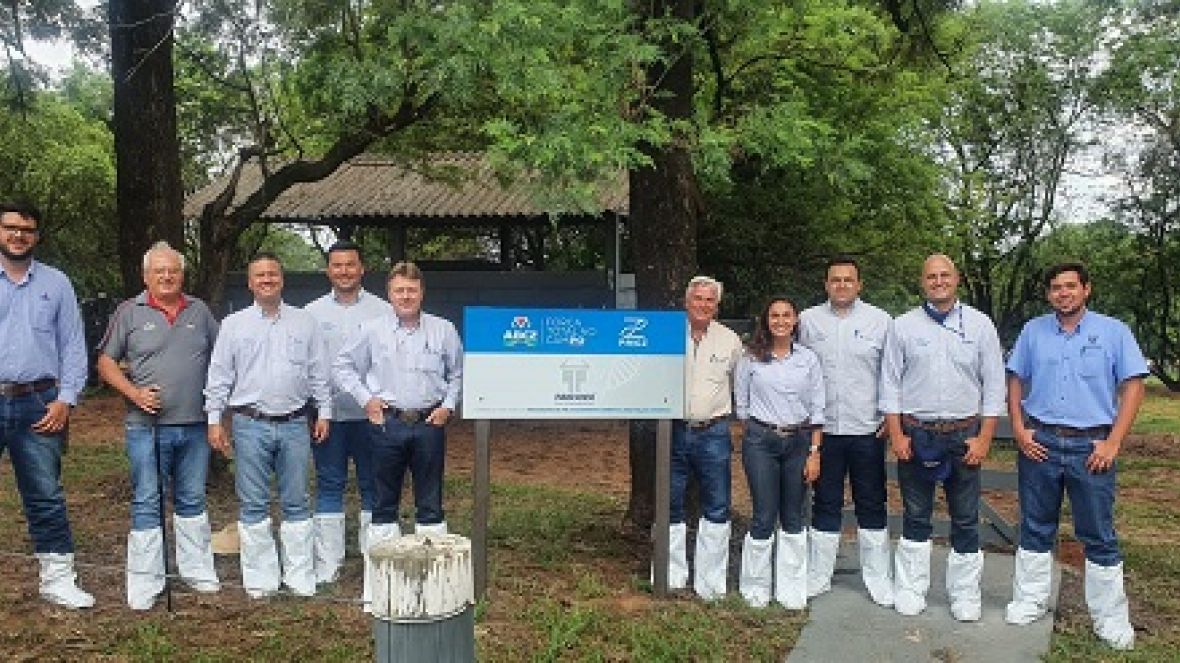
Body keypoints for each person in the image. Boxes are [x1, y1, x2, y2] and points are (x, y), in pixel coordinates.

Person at [1005, 262, 1146, 650]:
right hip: (1041, 444)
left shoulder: (1114, 332)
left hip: (1092, 448)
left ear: (1086, 289)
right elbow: (1015, 379)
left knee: (1098, 534)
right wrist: (1018, 428)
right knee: (1035, 526)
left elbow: (1133, 386)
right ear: (1048, 294)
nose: (1062, 293)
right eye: (1055, 287)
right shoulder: (1033, 331)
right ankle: (1030, 600)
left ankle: (1109, 619)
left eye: (1070, 286)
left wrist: (1113, 442)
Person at [879, 254, 1004, 621]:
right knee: (916, 514)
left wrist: (984, 438)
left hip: (963, 434)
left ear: (956, 278)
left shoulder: (980, 325)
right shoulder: (903, 326)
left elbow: (994, 385)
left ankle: (964, 594)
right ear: (923, 282)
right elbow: (890, 383)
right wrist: (897, 434)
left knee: (965, 517)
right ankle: (911, 588)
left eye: (944, 275)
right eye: (931, 276)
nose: (938, 281)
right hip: (916, 433)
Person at [96, 241, 221, 609]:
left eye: (173, 271)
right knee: (148, 499)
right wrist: (134, 393)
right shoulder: (129, 312)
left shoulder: (199, 311)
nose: (167, 277)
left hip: (194, 425)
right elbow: (105, 362)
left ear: (182, 274)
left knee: (192, 497)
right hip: (146, 427)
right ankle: (145, 582)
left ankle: (196, 570)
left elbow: (223, 356)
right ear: (145, 276)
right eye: (159, 271)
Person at [334, 261, 462, 610]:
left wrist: (448, 406)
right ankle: (380, 592)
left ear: (422, 293)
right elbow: (343, 366)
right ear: (389, 294)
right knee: (382, 506)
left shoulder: (443, 330)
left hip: (429, 424)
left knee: (430, 504)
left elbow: (457, 373)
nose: (406, 296)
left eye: (412, 290)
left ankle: (433, 592)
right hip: (386, 425)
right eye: (399, 290)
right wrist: (366, 400)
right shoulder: (371, 330)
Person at [203, 252, 331, 598]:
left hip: (295, 423)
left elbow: (319, 372)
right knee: (253, 503)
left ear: (282, 279)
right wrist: (214, 420)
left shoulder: (305, 323)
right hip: (250, 424)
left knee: (297, 501)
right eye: (259, 275)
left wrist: (324, 412)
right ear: (250, 283)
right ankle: (261, 579)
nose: (267, 280)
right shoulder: (233, 325)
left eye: (272, 274)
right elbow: (219, 376)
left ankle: (299, 576)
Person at [0, 201, 94, 609]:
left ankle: (57, 580)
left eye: (26, 229)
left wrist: (66, 399)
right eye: (10, 227)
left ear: (36, 236)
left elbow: (73, 343)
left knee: (45, 495)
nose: (18, 235)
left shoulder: (56, 283)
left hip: (39, 402)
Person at [798, 257, 895, 606]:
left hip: (867, 429)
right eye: (835, 280)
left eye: (848, 279)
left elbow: (892, 372)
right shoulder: (807, 321)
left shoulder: (881, 322)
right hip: (823, 431)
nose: (841, 285)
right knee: (825, 501)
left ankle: (878, 579)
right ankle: (819, 575)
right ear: (826, 285)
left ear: (859, 284)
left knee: (872, 501)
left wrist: (891, 415)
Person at [654, 275, 743, 600]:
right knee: (670, 503)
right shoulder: (666, 334)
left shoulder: (730, 340)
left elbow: (741, 384)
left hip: (714, 431)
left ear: (716, 306)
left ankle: (710, 583)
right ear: (686, 301)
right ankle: (670, 574)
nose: (703, 305)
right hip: (673, 430)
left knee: (717, 505)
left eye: (710, 300)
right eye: (698, 298)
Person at [304, 241, 386, 584]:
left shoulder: (383, 310)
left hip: (372, 417)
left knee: (373, 485)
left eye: (350, 264)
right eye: (337, 265)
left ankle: (374, 560)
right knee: (329, 484)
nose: (344, 271)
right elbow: (308, 366)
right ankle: (329, 563)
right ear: (328, 271)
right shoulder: (310, 314)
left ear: (362, 268)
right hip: (329, 417)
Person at [735, 296, 824, 609]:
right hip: (761, 442)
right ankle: (755, 587)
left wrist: (814, 451)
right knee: (763, 515)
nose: (781, 321)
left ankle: (790, 588)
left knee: (793, 515)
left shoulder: (808, 360)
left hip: (799, 442)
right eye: (775, 315)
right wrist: (760, 433)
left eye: (787, 315)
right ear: (766, 320)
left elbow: (817, 409)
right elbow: (742, 405)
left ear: (796, 320)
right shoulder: (751, 358)